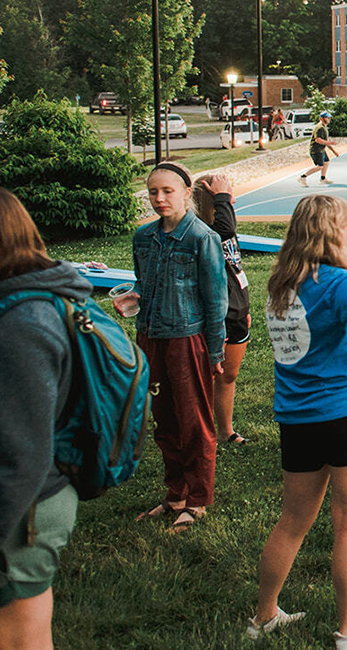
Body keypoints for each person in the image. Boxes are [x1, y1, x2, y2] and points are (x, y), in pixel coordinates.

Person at [249, 194, 347, 648]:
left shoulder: (282, 283)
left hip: (298, 417)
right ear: (332, 234)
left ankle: (264, 615)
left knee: (291, 521)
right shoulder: (338, 281)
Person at [0, 190, 91, 648]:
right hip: (28, 498)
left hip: (27, 506)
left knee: (22, 636)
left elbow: (23, 453)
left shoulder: (24, 324)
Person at [132, 163, 227, 534]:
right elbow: (145, 285)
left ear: (187, 193)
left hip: (188, 339)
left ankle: (199, 499)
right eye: (153, 192)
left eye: (167, 191)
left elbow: (215, 300)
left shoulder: (202, 238)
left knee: (194, 422)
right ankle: (175, 494)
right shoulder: (143, 237)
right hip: (151, 337)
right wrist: (134, 299)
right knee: (164, 419)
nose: (159, 199)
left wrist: (215, 352)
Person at [194, 174, 251, 446]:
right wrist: (221, 199)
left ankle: (225, 432)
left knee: (229, 376)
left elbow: (236, 267)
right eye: (227, 196)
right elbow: (224, 232)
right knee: (205, 377)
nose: (232, 200)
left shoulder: (225, 225)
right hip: (217, 316)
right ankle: (202, 433)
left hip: (236, 311)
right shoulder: (203, 230)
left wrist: (244, 304)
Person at [298, 111, 339, 186]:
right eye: (327, 117)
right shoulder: (320, 127)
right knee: (319, 166)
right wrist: (331, 143)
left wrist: (333, 151)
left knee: (326, 162)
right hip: (316, 150)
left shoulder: (324, 127)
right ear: (321, 118)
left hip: (321, 149)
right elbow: (318, 140)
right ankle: (303, 177)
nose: (328, 119)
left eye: (329, 117)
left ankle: (323, 178)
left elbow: (325, 141)